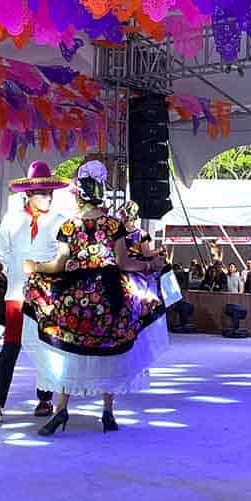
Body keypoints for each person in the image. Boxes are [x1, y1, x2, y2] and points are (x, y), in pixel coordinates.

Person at [22, 160, 169, 435]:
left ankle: (61, 409)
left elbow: (59, 265)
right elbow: (125, 263)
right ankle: (107, 413)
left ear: (79, 193)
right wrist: (150, 266)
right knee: (109, 352)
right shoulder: (115, 225)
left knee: (68, 350)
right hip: (111, 296)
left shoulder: (68, 226)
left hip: (74, 298)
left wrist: (36, 267)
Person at [0, 161, 68, 425]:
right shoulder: (11, 219)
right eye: (42, 193)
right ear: (28, 195)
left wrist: (44, 271)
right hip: (17, 294)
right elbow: (3, 253)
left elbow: (62, 257)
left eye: (50, 193)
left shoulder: (60, 221)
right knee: (10, 347)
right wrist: (15, 272)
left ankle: (45, 398)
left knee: (47, 347)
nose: (48, 198)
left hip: (48, 296)